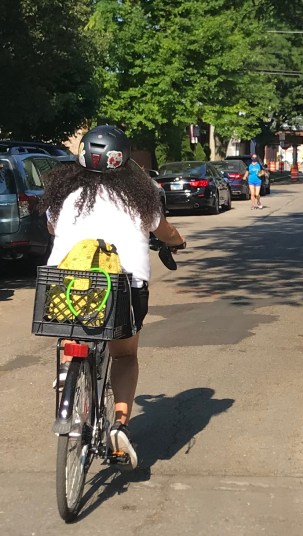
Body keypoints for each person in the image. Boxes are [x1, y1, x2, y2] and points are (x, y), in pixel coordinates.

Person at [42, 125, 185, 470]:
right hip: (124, 286)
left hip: (65, 284)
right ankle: (119, 425)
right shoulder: (141, 194)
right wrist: (176, 242)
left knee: (71, 327)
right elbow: (164, 231)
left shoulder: (63, 192)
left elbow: (50, 227)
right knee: (123, 356)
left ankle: (68, 375)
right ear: (124, 160)